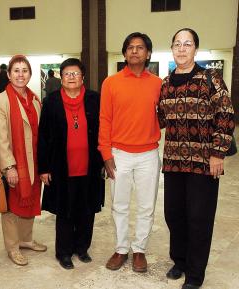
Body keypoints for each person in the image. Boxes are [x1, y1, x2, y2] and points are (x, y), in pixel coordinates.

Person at [158, 28, 235, 289]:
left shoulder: (210, 79)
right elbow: (159, 118)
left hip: (204, 163)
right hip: (173, 161)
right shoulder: (166, 84)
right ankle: (179, 260)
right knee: (173, 214)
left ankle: (195, 273)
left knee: (199, 218)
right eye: (177, 44)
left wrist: (217, 153)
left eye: (187, 44)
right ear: (172, 49)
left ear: (195, 49)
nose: (181, 48)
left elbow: (226, 116)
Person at [98, 32, 162, 273]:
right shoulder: (111, 83)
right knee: (120, 205)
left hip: (148, 154)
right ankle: (121, 248)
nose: (135, 51)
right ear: (124, 53)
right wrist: (106, 153)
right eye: (130, 47)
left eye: (140, 47)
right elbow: (105, 119)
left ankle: (139, 250)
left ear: (147, 54)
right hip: (119, 154)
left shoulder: (158, 84)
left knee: (146, 206)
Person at [38, 58, 104, 270]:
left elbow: (103, 131)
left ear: (83, 76)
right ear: (61, 77)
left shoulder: (95, 99)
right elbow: (43, 137)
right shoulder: (51, 102)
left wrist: (105, 160)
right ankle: (64, 253)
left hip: (90, 166)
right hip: (61, 167)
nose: (71, 77)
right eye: (67, 73)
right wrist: (44, 167)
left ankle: (82, 248)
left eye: (75, 73)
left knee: (86, 210)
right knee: (65, 211)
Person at [0, 55, 47, 266]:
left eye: (25, 71)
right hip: (15, 162)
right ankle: (13, 247)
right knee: (12, 207)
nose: (20, 74)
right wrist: (9, 167)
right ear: (9, 74)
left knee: (31, 200)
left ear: (30, 75)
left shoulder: (35, 99)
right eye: (16, 70)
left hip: (34, 161)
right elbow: (1, 137)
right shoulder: (0, 101)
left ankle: (26, 239)